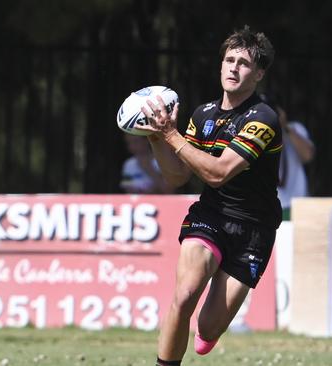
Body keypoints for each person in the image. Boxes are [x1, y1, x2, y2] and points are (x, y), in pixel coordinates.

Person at [137, 26, 282, 365]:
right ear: (220, 66)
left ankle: (209, 332)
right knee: (185, 295)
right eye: (229, 60)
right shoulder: (203, 115)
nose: (233, 68)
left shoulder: (262, 119)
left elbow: (218, 173)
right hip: (211, 216)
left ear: (259, 73)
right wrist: (157, 138)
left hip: (253, 230)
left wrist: (172, 137)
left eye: (244, 63)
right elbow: (177, 176)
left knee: (207, 326)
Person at [261, 95, 315, 221]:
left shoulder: (295, 129)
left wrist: (285, 127)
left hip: (298, 206)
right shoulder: (254, 134)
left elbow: (307, 155)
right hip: (268, 207)